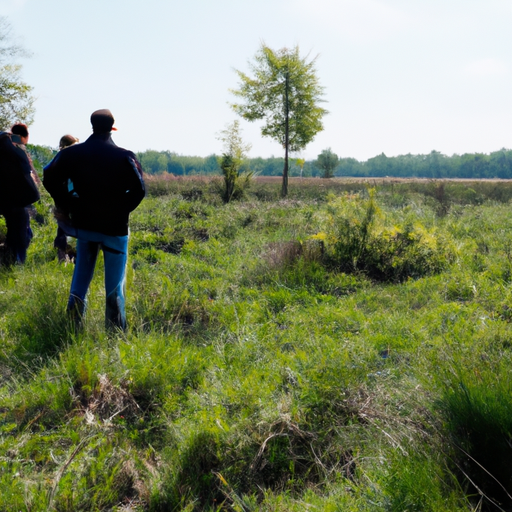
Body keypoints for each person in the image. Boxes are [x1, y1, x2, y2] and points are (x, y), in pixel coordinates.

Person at [43, 109, 145, 331]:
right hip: (115, 228)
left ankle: (72, 327)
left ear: (92, 125)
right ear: (112, 126)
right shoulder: (125, 156)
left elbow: (48, 175)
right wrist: (120, 209)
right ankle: (115, 332)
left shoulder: (71, 154)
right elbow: (139, 190)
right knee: (114, 286)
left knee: (81, 279)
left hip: (84, 225)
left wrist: (67, 204)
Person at [0, 123, 40, 265]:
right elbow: (27, 175)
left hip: (5, 200)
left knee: (14, 231)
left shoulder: (5, 150)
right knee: (23, 233)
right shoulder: (17, 151)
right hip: (19, 199)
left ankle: (9, 261)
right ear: (25, 136)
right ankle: (18, 263)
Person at [45, 134, 79, 262]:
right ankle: (68, 256)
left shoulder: (57, 160)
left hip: (63, 199)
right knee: (69, 227)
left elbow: (47, 179)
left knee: (63, 226)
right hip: (70, 199)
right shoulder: (70, 160)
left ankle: (64, 256)